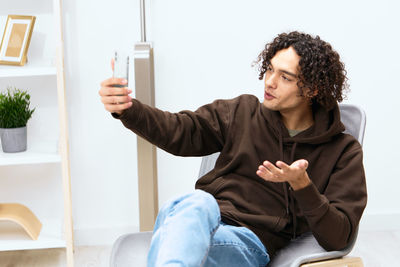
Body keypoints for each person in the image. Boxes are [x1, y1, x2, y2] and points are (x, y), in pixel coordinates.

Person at [99, 31, 367, 267]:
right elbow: (180, 130)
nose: (269, 82)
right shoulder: (241, 112)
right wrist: (129, 109)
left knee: (176, 239)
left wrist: (303, 186)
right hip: (200, 219)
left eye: (285, 77)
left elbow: (339, 236)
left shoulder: (343, 151)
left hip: (248, 242)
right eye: (269, 69)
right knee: (196, 202)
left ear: (312, 89)